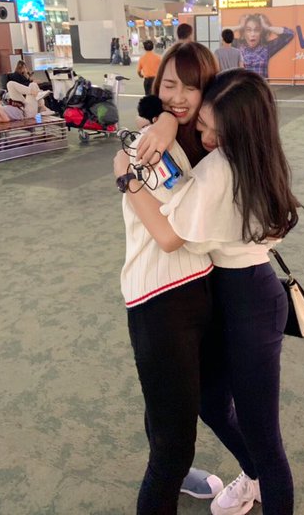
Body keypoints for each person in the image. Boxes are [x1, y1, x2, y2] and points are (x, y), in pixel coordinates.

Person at [115, 68, 301, 515]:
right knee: (213, 404)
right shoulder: (263, 155)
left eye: (213, 129)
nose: (204, 135)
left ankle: (259, 481)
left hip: (246, 304)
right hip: (242, 294)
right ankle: (253, 478)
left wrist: (126, 177)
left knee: (263, 438)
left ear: (238, 129)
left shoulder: (219, 170)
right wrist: (164, 120)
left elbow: (168, 235)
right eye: (202, 124)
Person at [115, 42, 223, 514]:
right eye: (169, 85)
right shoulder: (149, 145)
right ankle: (170, 471)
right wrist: (131, 167)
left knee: (168, 409)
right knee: (175, 443)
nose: (178, 98)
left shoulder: (203, 140)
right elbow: (171, 236)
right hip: (160, 299)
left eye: (190, 87)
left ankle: (173, 472)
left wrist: (166, 120)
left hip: (196, 290)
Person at [231, 13, 294, 78]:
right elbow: (224, 34)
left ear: (261, 33)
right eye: (248, 30)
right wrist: (239, 26)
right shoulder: (238, 46)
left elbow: (289, 34)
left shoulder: (267, 48)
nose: (253, 34)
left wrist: (267, 27)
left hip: (260, 84)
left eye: (256, 30)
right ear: (244, 33)